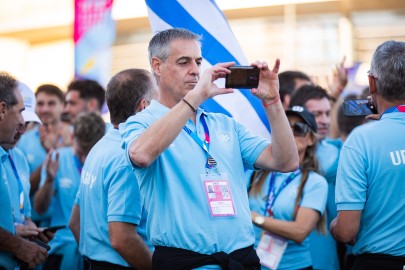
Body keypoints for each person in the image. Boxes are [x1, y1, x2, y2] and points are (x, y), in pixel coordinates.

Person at [120, 28, 298, 269]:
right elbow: (141, 155)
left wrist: (272, 102)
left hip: (241, 259)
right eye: (183, 62)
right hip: (187, 262)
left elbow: (286, 161)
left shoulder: (222, 123)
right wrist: (194, 98)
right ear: (157, 66)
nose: (195, 70)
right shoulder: (141, 122)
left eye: (198, 62)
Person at [69, 69, 155, 270]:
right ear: (144, 106)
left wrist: (96, 256)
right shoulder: (128, 158)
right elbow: (122, 239)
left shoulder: (100, 146)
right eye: (157, 101)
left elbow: (75, 222)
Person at [330, 40, 405, 269]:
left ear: (372, 83)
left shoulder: (361, 140)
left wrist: (334, 226)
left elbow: (346, 231)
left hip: (379, 262)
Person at [249, 106, 328, 270]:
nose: (290, 132)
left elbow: (299, 231)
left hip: (294, 266)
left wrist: (257, 218)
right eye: (285, 125)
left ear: (311, 139)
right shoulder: (256, 174)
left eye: (299, 128)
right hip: (252, 264)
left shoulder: (316, 182)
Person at [34, 112, 105, 270]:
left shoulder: (107, 162)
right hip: (62, 249)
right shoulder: (57, 159)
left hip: (97, 250)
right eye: (81, 152)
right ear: (73, 137)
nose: (84, 159)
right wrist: (49, 181)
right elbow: (39, 208)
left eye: (90, 153)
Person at [0, 72, 48, 269]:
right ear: (2, 109)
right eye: (19, 113)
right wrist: (18, 245)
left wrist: (30, 232)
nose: (22, 124)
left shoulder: (17, 157)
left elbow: (22, 213)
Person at [290, 85, 341, 270]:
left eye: (328, 113)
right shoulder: (274, 158)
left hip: (326, 259)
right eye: (317, 114)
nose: (325, 120)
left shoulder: (341, 151)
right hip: (286, 259)